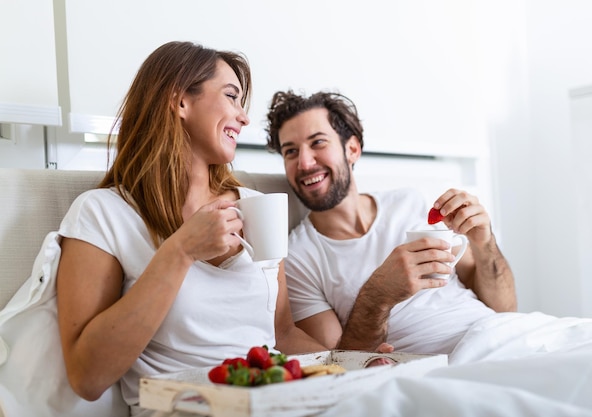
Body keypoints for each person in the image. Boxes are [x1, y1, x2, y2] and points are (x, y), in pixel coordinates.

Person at [55, 42, 326, 416]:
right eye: (232, 96)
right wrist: (180, 251)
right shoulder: (104, 214)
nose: (244, 117)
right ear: (181, 101)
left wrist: (356, 362)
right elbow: (88, 377)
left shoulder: (257, 205)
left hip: (277, 405)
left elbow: (284, 335)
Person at [264, 90, 517, 355]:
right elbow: (339, 364)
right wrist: (379, 294)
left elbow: (506, 308)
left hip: (504, 334)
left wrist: (484, 244)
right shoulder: (298, 257)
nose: (304, 162)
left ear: (352, 149)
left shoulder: (410, 201)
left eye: (317, 143)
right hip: (447, 363)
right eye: (290, 151)